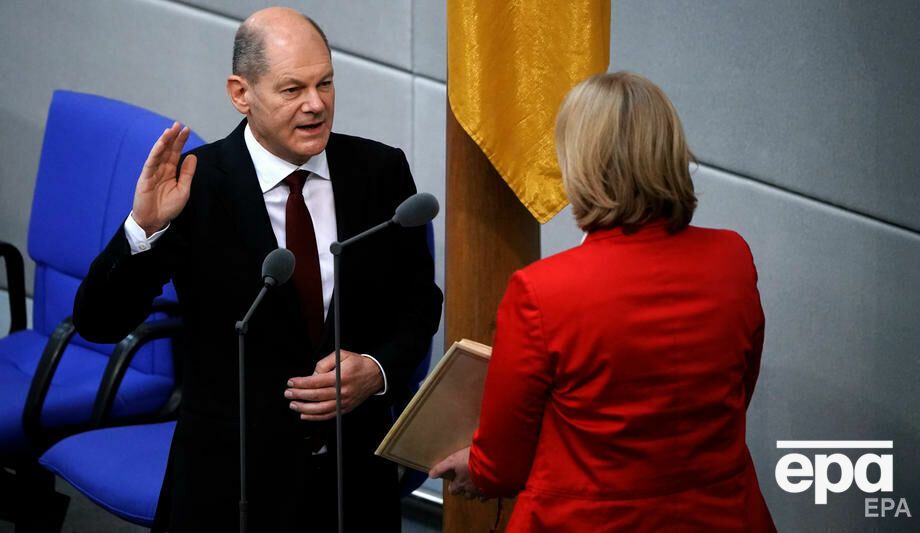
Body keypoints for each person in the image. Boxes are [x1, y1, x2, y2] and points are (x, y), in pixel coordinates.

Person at [73, 7, 442, 532]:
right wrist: (143, 228)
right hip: (231, 482)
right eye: (293, 89)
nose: (316, 104)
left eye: (325, 83)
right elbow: (99, 322)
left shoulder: (379, 172)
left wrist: (377, 369)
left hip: (352, 480)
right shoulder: (196, 186)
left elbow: (418, 304)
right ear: (241, 93)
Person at [430, 71, 776, 532]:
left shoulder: (542, 291)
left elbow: (502, 468)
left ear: (580, 162)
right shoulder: (732, 258)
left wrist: (477, 465)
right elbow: (736, 395)